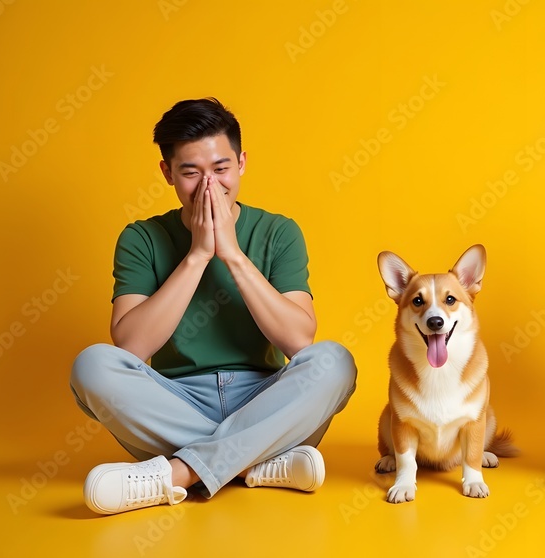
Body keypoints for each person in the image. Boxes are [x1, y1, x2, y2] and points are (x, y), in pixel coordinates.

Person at [70, 98, 356, 515]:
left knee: (335, 362)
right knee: (92, 365)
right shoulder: (142, 238)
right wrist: (198, 255)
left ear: (241, 163)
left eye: (221, 169)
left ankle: (177, 474)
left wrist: (233, 255)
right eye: (191, 173)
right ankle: (258, 462)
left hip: (266, 400)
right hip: (176, 401)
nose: (209, 186)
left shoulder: (278, 231)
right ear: (167, 173)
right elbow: (130, 345)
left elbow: (299, 340)